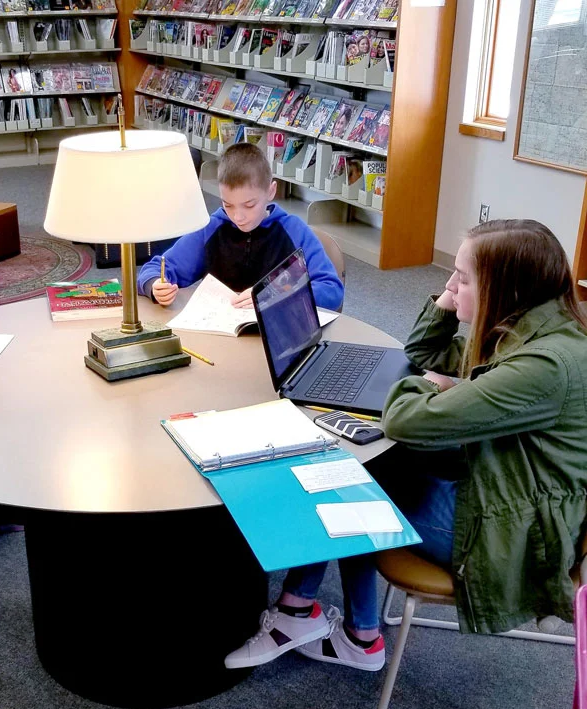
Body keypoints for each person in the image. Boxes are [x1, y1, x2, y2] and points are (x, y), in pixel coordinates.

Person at [225, 218, 587, 672]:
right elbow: (423, 353)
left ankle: (323, 622)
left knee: (356, 487)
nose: (451, 287)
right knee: (365, 470)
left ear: (505, 289)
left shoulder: (543, 367)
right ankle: (328, 622)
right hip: (507, 486)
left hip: (517, 531)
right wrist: (445, 307)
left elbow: (405, 418)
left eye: (463, 278)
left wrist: (427, 388)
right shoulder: (531, 328)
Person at [136, 143, 343, 312]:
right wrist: (155, 285)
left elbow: (331, 290)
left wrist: (273, 295)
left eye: (250, 205)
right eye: (228, 205)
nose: (238, 216)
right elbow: (157, 268)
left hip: (280, 340)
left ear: (271, 191)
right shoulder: (211, 228)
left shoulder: (295, 231)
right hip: (223, 338)